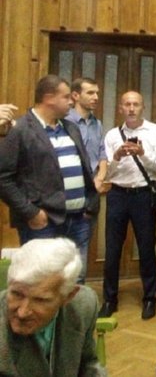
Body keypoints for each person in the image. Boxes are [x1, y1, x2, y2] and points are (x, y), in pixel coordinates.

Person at [0, 75, 98, 280]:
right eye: (66, 97)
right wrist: (31, 212)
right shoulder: (20, 129)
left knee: (75, 281)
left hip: (79, 219)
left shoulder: (70, 128)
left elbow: (85, 168)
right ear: (48, 98)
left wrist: (90, 204)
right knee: (41, 282)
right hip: (43, 223)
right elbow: (3, 179)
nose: (71, 101)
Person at [100, 91, 156, 319]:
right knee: (112, 249)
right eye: (127, 104)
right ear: (120, 108)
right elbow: (107, 174)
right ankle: (109, 299)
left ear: (142, 107)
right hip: (117, 194)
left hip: (143, 195)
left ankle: (149, 298)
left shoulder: (155, 132)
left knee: (147, 248)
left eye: (136, 104)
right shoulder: (112, 135)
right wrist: (117, 156)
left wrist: (143, 154)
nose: (131, 108)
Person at [0, 237, 106, 376]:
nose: (22, 313)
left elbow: (88, 363)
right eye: (16, 294)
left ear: (68, 296)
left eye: (40, 300)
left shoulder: (83, 306)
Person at [66, 78, 109, 194]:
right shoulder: (65, 122)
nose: (96, 97)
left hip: (94, 183)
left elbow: (102, 153)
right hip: (70, 182)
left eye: (97, 93)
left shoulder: (97, 123)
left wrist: (100, 178)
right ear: (75, 95)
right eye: (90, 93)